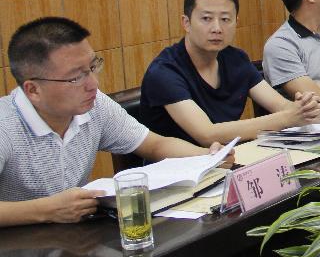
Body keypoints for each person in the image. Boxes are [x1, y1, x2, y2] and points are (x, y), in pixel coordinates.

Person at [0, 17, 230, 227]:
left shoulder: (95, 105)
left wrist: (207, 157)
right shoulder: (5, 125)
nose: (93, 84)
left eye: (93, 67)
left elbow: (154, 144)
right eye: (76, 77)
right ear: (33, 90)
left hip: (73, 238)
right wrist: (47, 210)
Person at [140, 0, 320, 146]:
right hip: (179, 166)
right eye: (206, 18)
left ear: (236, 22)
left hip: (227, 158)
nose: (217, 28)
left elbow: (281, 106)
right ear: (186, 23)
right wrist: (288, 117)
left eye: (225, 19)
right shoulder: (164, 72)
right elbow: (207, 134)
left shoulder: (236, 59)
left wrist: (304, 107)